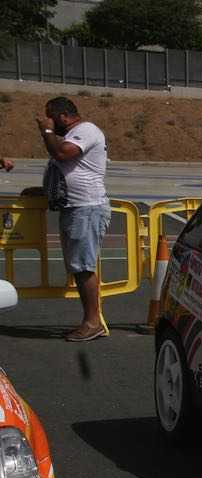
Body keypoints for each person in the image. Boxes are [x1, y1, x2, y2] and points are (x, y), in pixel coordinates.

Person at [36, 96, 110, 342]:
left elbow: (62, 154)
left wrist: (47, 131)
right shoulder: (72, 135)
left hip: (86, 208)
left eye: (51, 117)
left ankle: (93, 322)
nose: (48, 121)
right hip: (75, 208)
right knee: (79, 267)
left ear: (63, 116)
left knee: (83, 267)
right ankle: (90, 320)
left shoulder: (85, 130)